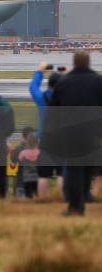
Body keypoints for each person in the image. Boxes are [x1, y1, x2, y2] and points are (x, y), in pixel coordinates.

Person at [50, 51, 102, 215]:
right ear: (88, 62)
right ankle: (86, 196)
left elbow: (54, 110)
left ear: (74, 62)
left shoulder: (64, 82)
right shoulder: (98, 81)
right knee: (88, 167)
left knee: (74, 170)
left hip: (71, 132)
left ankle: (75, 206)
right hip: (93, 131)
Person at [30, 61, 63, 198]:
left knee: (44, 174)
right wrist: (66, 74)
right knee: (62, 173)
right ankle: (61, 197)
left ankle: (42, 200)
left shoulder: (42, 98)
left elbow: (33, 87)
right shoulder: (66, 98)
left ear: (48, 84)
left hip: (45, 139)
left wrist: (39, 72)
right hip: (63, 139)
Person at [12, 127, 40, 199]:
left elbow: (13, 161)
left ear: (23, 136)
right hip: (36, 182)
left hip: (21, 182)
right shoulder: (39, 152)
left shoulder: (18, 149)